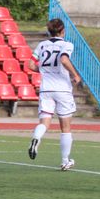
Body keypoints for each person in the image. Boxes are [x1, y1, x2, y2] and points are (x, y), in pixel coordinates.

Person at [26, 18, 81, 171]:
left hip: (46, 89)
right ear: (63, 31)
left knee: (44, 122)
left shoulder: (42, 45)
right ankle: (65, 161)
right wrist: (75, 75)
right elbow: (64, 60)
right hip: (62, 89)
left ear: (49, 31)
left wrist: (43, 70)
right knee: (66, 127)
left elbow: (30, 65)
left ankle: (36, 138)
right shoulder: (66, 44)